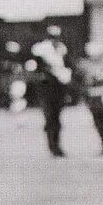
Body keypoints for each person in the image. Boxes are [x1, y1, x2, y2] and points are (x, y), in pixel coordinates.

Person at [32, 25, 73, 157]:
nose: (55, 39)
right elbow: (37, 68)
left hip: (59, 86)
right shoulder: (40, 50)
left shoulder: (62, 49)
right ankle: (52, 145)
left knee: (57, 117)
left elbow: (67, 65)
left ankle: (57, 144)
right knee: (50, 117)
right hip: (46, 87)